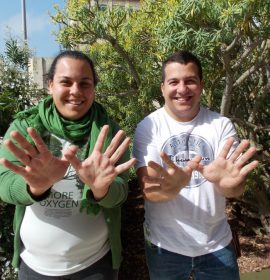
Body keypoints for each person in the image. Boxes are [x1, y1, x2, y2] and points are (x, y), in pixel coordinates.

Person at [0, 50, 136, 280]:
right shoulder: (25, 127)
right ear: (50, 84)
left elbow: (121, 192)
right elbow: (4, 183)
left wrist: (102, 191)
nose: (76, 91)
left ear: (94, 88)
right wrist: (34, 187)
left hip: (95, 266)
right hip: (35, 267)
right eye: (66, 82)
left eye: (85, 83)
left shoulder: (108, 131)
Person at [133, 50, 259, 280]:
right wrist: (176, 185)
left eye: (190, 81)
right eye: (174, 82)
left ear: (201, 85)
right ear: (162, 88)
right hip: (165, 248)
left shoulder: (221, 126)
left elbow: (233, 190)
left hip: (217, 245)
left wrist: (230, 185)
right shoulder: (148, 127)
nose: (182, 89)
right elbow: (150, 191)